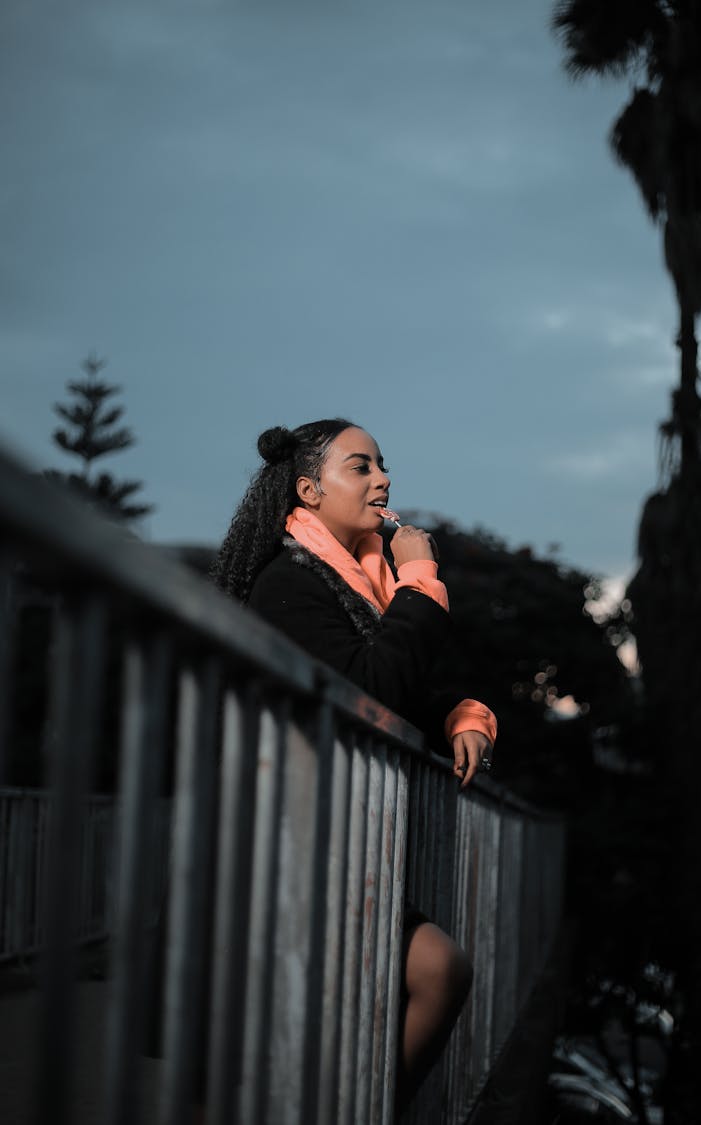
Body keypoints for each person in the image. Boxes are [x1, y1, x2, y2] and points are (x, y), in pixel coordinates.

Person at [212, 418, 498, 1107]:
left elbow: (397, 688)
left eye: (383, 466)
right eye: (361, 467)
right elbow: (372, 689)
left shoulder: (357, 583)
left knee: (434, 972)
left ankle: (361, 1107)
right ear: (309, 490)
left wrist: (467, 714)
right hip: (278, 848)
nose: (384, 480)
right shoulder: (290, 583)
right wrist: (421, 579)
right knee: (247, 1063)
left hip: (336, 843)